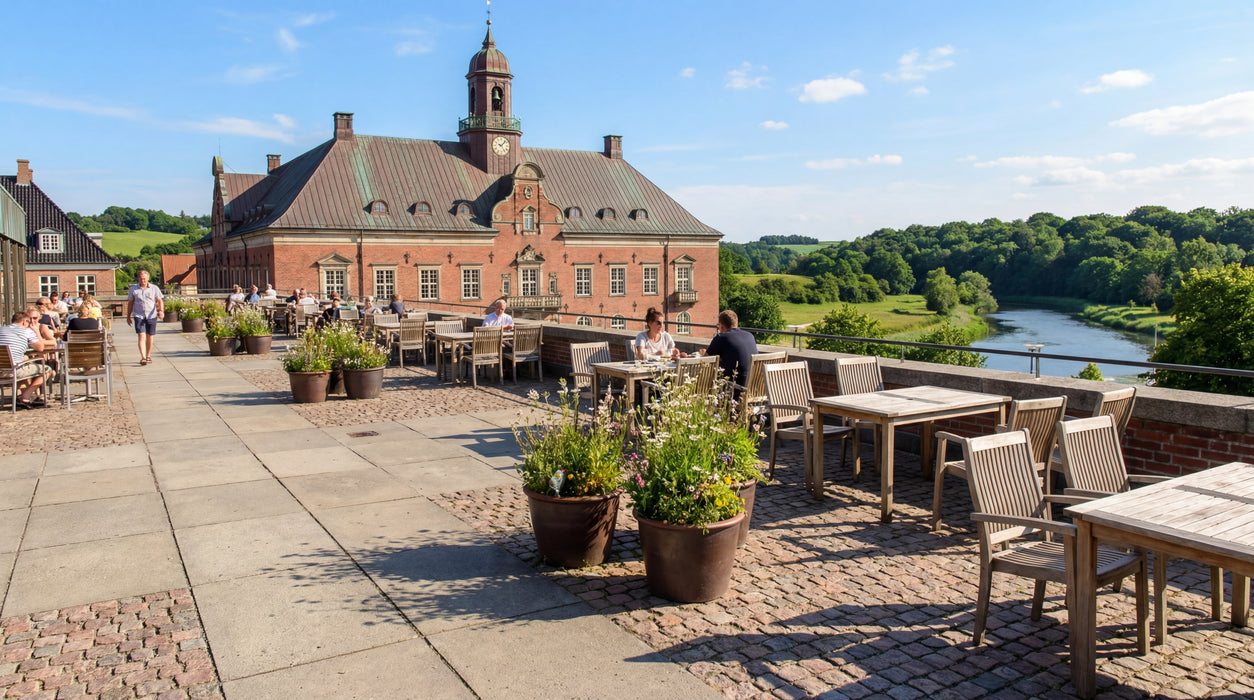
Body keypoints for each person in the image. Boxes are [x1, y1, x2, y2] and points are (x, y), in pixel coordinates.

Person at [0, 310, 54, 408]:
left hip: (1, 369)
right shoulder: (26, 331)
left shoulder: (1, 329)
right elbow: (40, 348)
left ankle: (27, 394)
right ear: (25, 322)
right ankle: (25, 397)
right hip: (13, 371)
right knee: (47, 370)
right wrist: (36, 332)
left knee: (24, 359)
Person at [701, 309, 758, 389]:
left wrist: (704, 353)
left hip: (735, 388)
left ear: (721, 325)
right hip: (754, 387)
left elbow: (705, 362)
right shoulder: (750, 336)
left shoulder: (721, 337)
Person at [125, 269, 164, 366]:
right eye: (141, 279)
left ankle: (148, 355)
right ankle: (143, 357)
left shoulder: (154, 288)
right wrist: (128, 316)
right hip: (139, 315)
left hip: (151, 315)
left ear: (148, 278)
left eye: (144, 279)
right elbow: (130, 303)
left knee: (150, 336)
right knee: (141, 335)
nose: (142, 281)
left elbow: (160, 301)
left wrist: (161, 311)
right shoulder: (133, 289)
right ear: (138, 279)